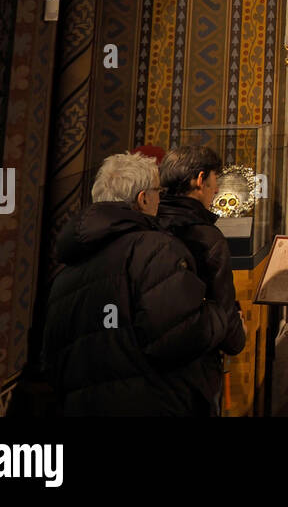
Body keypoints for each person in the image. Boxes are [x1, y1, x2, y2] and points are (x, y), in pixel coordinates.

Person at [42, 152, 228, 416]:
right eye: (157, 192)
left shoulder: (66, 275)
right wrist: (217, 314)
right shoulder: (155, 249)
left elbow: (53, 362)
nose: (160, 199)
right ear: (143, 199)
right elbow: (180, 336)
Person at [156, 145, 246, 417]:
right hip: (196, 366)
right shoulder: (208, 239)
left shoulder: (149, 225)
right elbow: (225, 312)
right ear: (199, 179)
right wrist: (236, 337)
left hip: (151, 365)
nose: (216, 189)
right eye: (214, 180)